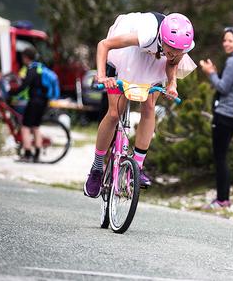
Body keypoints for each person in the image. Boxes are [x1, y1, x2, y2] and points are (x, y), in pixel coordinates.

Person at [84, 12, 196, 197]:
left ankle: (137, 166)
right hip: (125, 56)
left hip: (152, 62)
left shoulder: (181, 46)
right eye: (171, 49)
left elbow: (171, 63)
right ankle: (96, 167)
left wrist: (172, 83)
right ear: (163, 38)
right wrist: (102, 75)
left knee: (149, 106)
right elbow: (104, 45)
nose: (174, 54)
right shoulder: (146, 33)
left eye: (179, 52)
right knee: (114, 113)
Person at [199, 27, 233, 209]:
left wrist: (210, 73)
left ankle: (222, 199)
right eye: (224, 40)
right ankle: (223, 198)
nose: (226, 44)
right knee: (222, 156)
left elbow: (223, 87)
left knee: (220, 157)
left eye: (230, 40)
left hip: (225, 114)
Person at [8, 48, 47, 162]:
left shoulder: (31, 69)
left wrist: (11, 93)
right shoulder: (40, 67)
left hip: (34, 101)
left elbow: (24, 86)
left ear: (25, 57)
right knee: (36, 126)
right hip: (43, 101)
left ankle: (27, 154)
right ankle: (37, 154)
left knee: (25, 127)